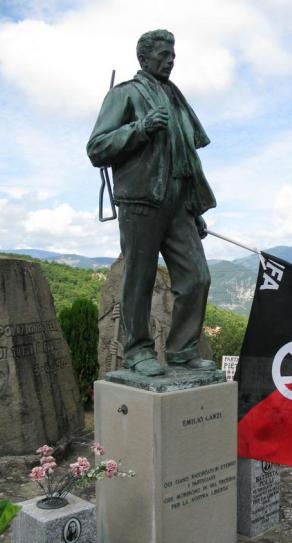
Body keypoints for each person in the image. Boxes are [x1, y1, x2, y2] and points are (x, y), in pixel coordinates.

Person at [87, 29, 216, 376]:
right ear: (143, 59)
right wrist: (140, 128)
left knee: (198, 278)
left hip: (178, 203)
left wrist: (195, 208)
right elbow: (97, 148)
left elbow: (187, 158)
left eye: (173, 54)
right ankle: (137, 350)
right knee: (139, 279)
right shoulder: (125, 94)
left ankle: (181, 350)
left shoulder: (176, 99)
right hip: (141, 201)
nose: (170, 60)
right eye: (163, 54)